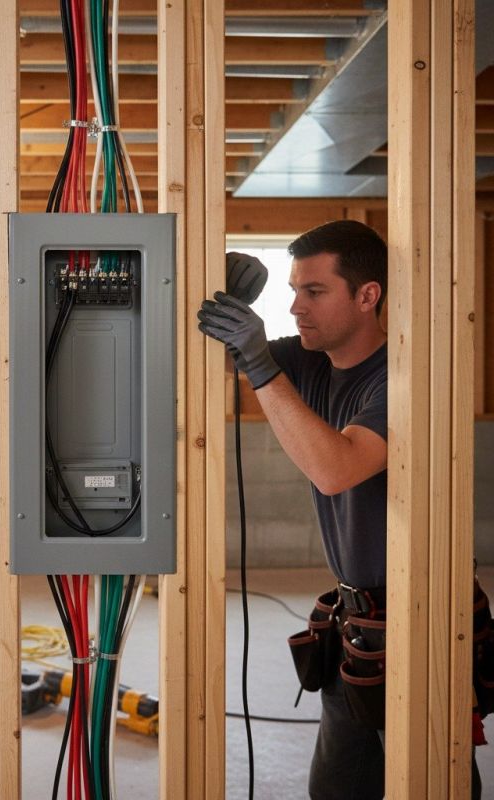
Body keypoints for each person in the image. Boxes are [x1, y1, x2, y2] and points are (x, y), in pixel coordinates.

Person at [197, 219, 481, 799]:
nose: (296, 307)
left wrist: (259, 364)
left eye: (314, 291)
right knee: (336, 791)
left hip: (422, 622)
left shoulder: (404, 380)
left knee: (435, 783)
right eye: (293, 290)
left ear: (367, 295)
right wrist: (209, 287)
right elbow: (213, 352)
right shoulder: (311, 361)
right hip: (358, 622)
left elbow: (336, 469)